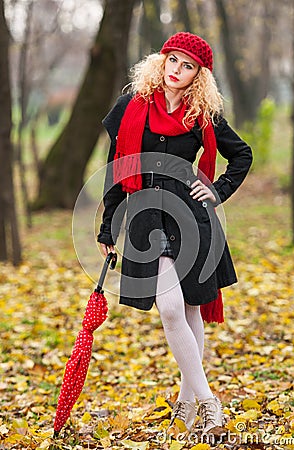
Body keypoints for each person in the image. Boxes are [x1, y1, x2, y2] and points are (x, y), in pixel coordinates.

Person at [98, 32, 252, 436]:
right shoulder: (131, 105)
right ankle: (209, 402)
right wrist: (107, 222)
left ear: (197, 75)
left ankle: (186, 403)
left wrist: (217, 191)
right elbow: (118, 164)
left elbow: (242, 155)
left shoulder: (202, 113)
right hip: (147, 218)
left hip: (191, 217)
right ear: (161, 60)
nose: (176, 71)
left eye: (187, 66)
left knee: (190, 309)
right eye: (173, 60)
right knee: (170, 307)